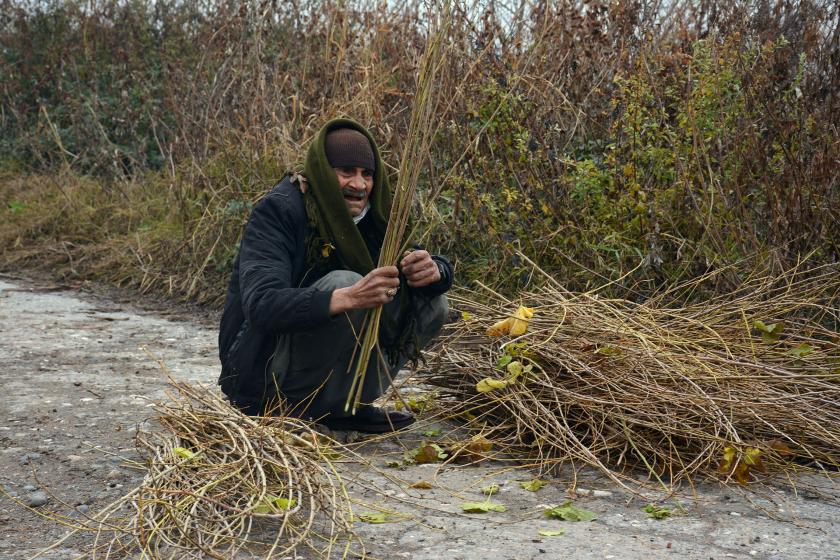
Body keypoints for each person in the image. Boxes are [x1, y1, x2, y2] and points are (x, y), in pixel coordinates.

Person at [217, 118, 452, 432]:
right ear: (322, 173)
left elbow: (418, 260)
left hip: (330, 385)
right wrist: (348, 297)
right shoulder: (280, 211)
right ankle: (288, 409)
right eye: (346, 172)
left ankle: (342, 406)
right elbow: (262, 304)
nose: (359, 185)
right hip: (264, 377)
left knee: (433, 302)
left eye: (367, 174)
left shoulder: (372, 216)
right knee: (346, 284)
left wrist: (433, 270)